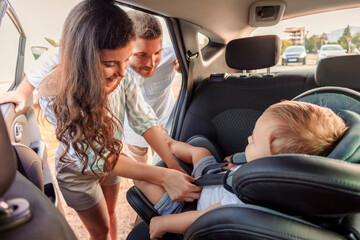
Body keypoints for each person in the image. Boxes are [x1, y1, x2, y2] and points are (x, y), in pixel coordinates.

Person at [15, 1, 202, 240]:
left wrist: (173, 165)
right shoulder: (56, 94)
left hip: (114, 158)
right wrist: (163, 176)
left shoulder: (122, 74)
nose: (123, 72)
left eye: (126, 60)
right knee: (100, 230)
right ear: (82, 59)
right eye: (110, 64)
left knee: (112, 214)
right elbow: (96, 158)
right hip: (78, 173)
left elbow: (142, 118)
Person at [133, 100, 348, 240]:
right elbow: (244, 166)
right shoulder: (270, 174)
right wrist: (234, 165)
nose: (248, 139)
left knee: (140, 181)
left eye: (253, 141)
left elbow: (202, 217)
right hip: (217, 179)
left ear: (273, 161)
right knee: (200, 152)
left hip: (191, 207)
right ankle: (168, 143)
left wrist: (163, 223)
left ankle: (164, 153)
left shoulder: (248, 199)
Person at [0, 10, 179, 166]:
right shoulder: (87, 73)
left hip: (158, 121)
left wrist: (186, 65)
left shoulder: (168, 55)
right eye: (140, 55)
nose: (151, 62)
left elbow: (143, 119)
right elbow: (41, 68)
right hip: (118, 138)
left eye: (157, 53)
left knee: (157, 160)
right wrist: (21, 93)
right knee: (139, 164)